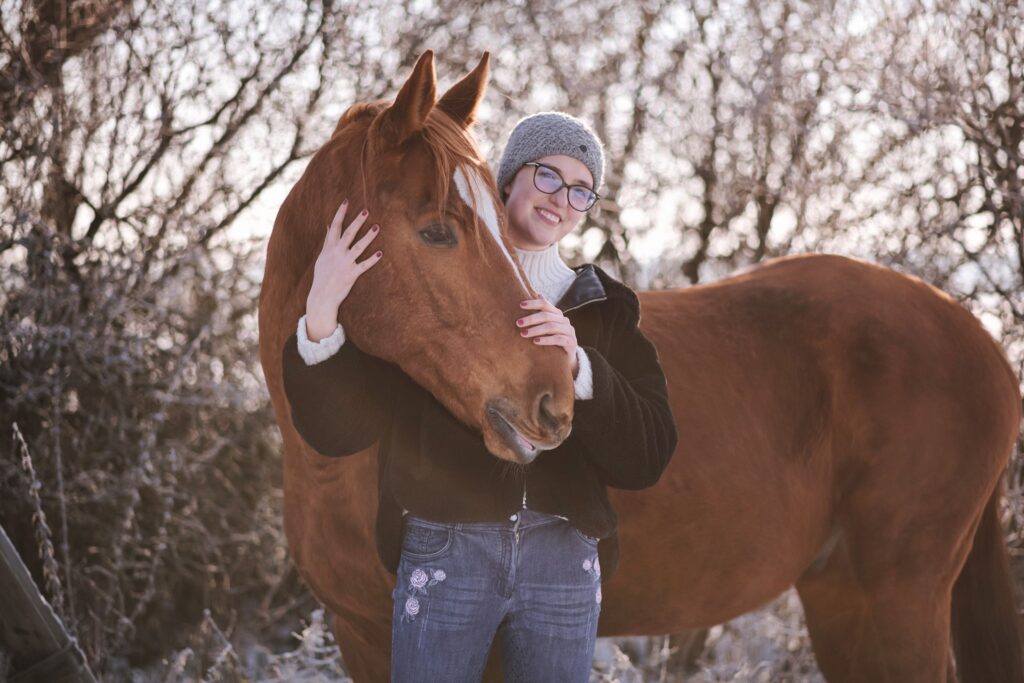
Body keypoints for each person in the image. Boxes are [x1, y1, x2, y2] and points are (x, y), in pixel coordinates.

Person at [281, 112, 678, 682]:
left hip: (562, 559)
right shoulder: (432, 286)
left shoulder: (604, 308)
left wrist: (581, 366)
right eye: (548, 175)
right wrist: (321, 309)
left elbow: (647, 455)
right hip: (448, 550)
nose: (560, 198)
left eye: (580, 190)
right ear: (508, 178)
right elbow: (339, 429)